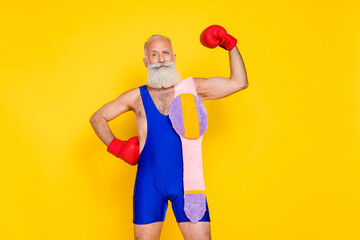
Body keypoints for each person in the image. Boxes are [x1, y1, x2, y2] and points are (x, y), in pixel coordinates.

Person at [90, 25, 248, 240]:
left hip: (188, 183)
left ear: (174, 57)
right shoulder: (136, 96)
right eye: (154, 54)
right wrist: (117, 147)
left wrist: (231, 45)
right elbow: (97, 117)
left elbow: (239, 83)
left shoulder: (193, 88)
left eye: (165, 53)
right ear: (146, 62)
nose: (161, 58)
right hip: (149, 183)